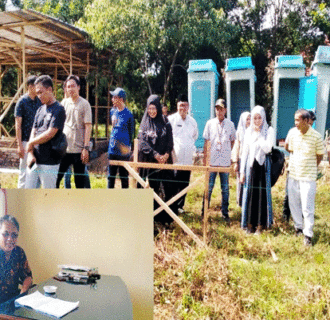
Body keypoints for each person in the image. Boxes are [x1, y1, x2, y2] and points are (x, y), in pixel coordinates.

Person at [286, 109, 324, 246]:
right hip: (294, 174)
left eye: (298, 120)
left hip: (308, 177)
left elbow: (319, 156)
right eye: (295, 120)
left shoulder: (317, 137)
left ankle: (308, 235)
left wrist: (311, 165)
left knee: (307, 207)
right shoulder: (292, 133)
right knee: (293, 203)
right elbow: (288, 147)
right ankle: (298, 228)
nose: (296, 123)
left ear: (307, 121)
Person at [25, 75, 66, 189]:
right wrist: (30, 153)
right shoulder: (39, 109)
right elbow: (34, 130)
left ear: (50, 90)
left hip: (49, 162)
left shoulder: (59, 109)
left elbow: (50, 133)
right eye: (37, 93)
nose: (39, 96)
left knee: (48, 197)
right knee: (29, 193)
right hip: (34, 160)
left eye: (41, 92)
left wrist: (30, 143)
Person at [138, 94, 174, 224]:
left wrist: (166, 154)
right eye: (149, 108)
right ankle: (149, 219)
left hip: (164, 163)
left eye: (154, 108)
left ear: (158, 108)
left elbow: (170, 141)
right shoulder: (144, 123)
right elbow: (142, 142)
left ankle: (165, 219)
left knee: (167, 189)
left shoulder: (165, 122)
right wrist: (155, 154)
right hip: (149, 163)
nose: (152, 111)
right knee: (149, 190)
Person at [240, 105, 275, 233]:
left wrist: (259, 135)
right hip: (251, 167)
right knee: (250, 195)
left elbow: (267, 148)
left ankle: (260, 226)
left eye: (259, 118)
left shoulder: (269, 130)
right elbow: (245, 152)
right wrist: (242, 172)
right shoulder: (248, 132)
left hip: (263, 168)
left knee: (261, 196)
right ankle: (249, 225)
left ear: (263, 117)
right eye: (255, 118)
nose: (257, 121)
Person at [202, 99, 236, 223]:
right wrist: (205, 158)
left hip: (225, 162)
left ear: (225, 110)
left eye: (221, 109)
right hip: (212, 161)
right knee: (208, 187)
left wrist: (227, 152)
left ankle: (225, 213)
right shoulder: (210, 123)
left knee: (225, 188)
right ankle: (204, 211)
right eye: (217, 109)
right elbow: (206, 142)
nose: (219, 111)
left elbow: (233, 140)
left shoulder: (230, 125)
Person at [56, 75, 92, 188]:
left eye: (73, 86)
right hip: (64, 149)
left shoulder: (84, 104)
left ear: (79, 87)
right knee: (56, 178)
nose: (70, 89)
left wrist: (85, 148)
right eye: (68, 87)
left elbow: (88, 126)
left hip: (78, 150)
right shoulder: (64, 103)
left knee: (79, 182)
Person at [282, 109, 317, 222]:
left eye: (312, 124)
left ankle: (301, 218)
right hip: (293, 168)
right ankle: (286, 215)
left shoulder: (313, 135)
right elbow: (287, 146)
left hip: (306, 172)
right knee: (289, 194)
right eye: (309, 122)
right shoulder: (293, 132)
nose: (310, 125)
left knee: (304, 197)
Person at [168, 94, 198, 214]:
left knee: (185, 183)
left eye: (185, 105)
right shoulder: (171, 119)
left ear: (188, 107)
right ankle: (172, 207)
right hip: (176, 159)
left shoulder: (192, 122)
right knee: (175, 182)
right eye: (180, 105)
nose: (182, 108)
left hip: (188, 159)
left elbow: (194, 136)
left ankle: (180, 207)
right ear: (177, 106)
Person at [14, 75, 42, 188]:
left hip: (38, 142)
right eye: (37, 86)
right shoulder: (22, 102)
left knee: (36, 172)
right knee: (24, 172)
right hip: (25, 142)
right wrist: (19, 145)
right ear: (30, 87)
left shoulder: (39, 102)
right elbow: (18, 125)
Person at [0, 215, 32, 304]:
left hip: (13, 300)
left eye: (14, 235)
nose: (10, 239)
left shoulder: (19, 252)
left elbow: (28, 277)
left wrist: (23, 292)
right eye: (5, 234)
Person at [107, 87, 134, 188]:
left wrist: (129, 148)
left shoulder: (129, 115)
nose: (112, 99)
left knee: (124, 177)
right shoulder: (112, 112)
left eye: (114, 97)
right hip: (112, 150)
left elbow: (131, 133)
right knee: (110, 177)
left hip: (123, 151)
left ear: (121, 99)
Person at [231, 111, 251, 207]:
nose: (249, 121)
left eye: (250, 118)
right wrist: (235, 162)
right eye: (247, 119)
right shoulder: (239, 132)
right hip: (241, 158)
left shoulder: (253, 131)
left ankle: (248, 201)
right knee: (240, 181)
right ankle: (240, 201)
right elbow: (236, 147)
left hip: (250, 159)